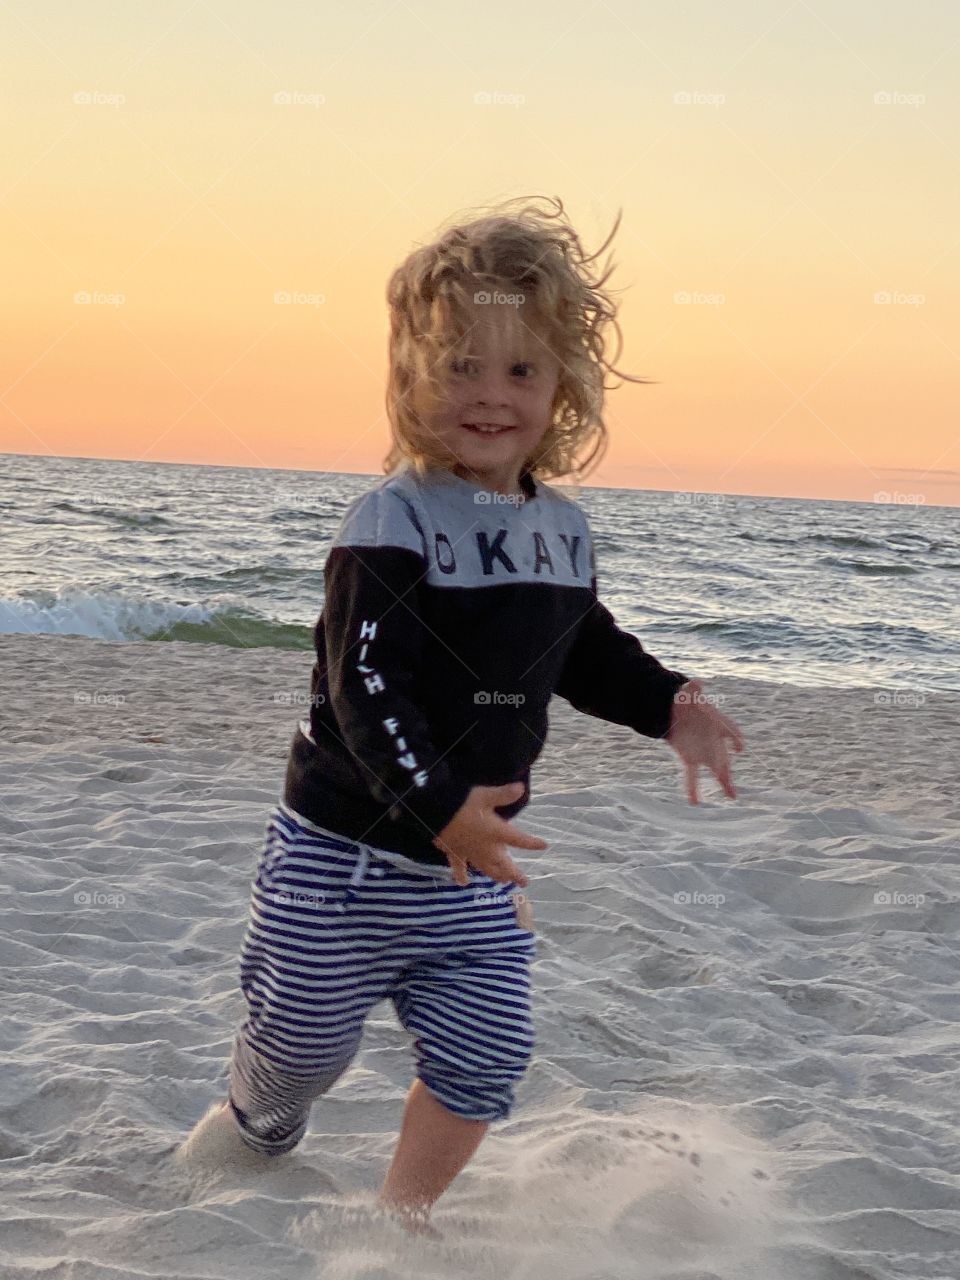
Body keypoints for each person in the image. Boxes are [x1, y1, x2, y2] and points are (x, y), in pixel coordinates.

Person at [174, 194, 745, 1235]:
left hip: (472, 872)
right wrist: (438, 803)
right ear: (409, 380)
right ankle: (256, 1123)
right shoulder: (390, 521)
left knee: (485, 1053)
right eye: (460, 368)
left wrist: (671, 704)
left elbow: (581, 650)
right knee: (303, 1049)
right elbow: (364, 691)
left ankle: (401, 1218)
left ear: (562, 385)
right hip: (339, 859)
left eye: (520, 370)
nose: (491, 396)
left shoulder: (562, 530)